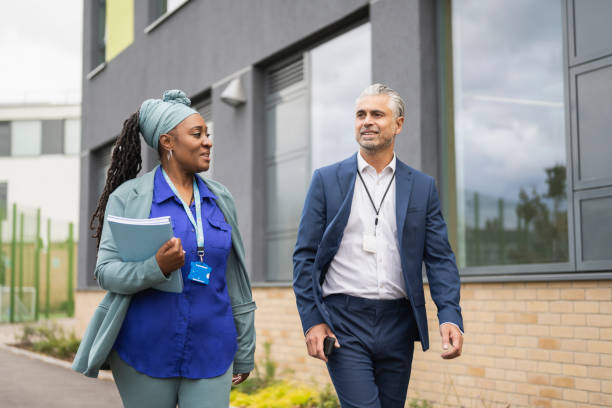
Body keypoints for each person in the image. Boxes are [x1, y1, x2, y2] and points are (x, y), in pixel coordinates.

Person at [72, 90, 256, 408]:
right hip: (144, 350)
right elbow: (105, 272)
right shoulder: (128, 198)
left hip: (213, 347)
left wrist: (245, 348)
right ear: (168, 142)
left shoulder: (221, 199)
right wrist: (154, 267)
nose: (207, 142)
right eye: (197, 134)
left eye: (207, 134)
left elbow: (235, 278)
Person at [293, 84, 464, 408]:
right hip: (344, 321)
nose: (367, 121)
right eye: (361, 114)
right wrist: (312, 319)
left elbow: (440, 257)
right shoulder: (326, 180)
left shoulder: (422, 188)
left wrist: (450, 316)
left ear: (398, 124)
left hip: (398, 322)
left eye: (377, 114)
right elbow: (304, 256)